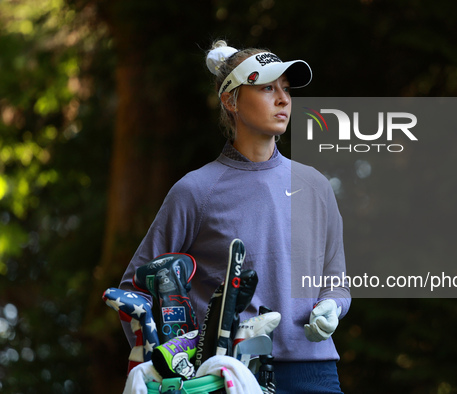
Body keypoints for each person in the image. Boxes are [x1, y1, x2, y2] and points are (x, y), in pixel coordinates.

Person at [119, 39, 351, 394]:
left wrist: (332, 306)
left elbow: (336, 281)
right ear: (231, 100)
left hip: (315, 372)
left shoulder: (315, 185)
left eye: (286, 89)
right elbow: (136, 288)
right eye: (266, 88)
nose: (283, 99)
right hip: (229, 375)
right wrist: (173, 364)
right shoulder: (196, 190)